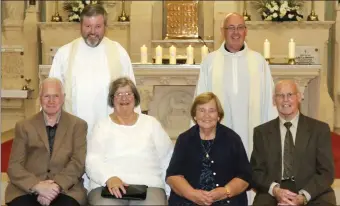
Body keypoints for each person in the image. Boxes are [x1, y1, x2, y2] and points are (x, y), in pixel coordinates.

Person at [194, 12, 277, 157]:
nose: (236, 32)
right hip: (218, 133)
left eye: (240, 27)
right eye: (231, 28)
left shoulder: (258, 61)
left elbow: (269, 103)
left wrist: (271, 138)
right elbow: (200, 100)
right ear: (223, 32)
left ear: (246, 31)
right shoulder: (210, 62)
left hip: (252, 134)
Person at [49, 4, 137, 139]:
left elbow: (131, 94)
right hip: (73, 133)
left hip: (111, 133)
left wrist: (133, 128)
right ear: (80, 26)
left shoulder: (118, 52)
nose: (92, 31)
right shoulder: (64, 53)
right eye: (88, 26)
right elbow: (52, 94)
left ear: (105, 27)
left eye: (98, 26)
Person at [85, 77, 174, 205]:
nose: (124, 98)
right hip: (108, 185)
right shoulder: (102, 126)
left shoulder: (151, 124)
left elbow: (167, 157)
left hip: (149, 185)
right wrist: (109, 178)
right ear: (112, 99)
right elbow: (92, 160)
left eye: (128, 94)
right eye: (119, 94)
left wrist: (169, 191)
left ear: (135, 97)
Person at [250, 80, 336, 206]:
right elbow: (256, 171)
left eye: (290, 95)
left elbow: (326, 172)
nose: (285, 100)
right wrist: (275, 190)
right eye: (280, 96)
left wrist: (303, 196)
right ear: (274, 100)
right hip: (274, 192)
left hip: (312, 191)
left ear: (299, 97)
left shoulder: (319, 129)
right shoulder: (261, 132)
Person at [5, 77, 87, 206]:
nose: (51, 101)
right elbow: (14, 166)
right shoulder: (24, 126)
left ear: (63, 97)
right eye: (46, 96)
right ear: (40, 98)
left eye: (56, 96)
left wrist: (55, 187)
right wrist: (37, 186)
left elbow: (78, 163)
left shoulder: (78, 125)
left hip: (65, 190)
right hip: (27, 189)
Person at [166, 92, 252, 206]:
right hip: (189, 201)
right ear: (195, 116)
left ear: (218, 116)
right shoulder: (184, 139)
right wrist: (192, 194)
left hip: (226, 201)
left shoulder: (232, 139)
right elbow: (172, 176)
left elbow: (245, 176)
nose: (206, 115)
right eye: (202, 110)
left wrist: (225, 191)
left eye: (211, 111)